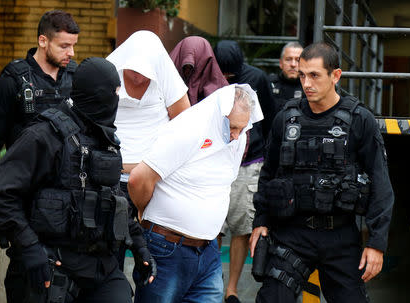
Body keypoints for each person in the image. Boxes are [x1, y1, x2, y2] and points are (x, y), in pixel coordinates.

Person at [0, 57, 156, 303]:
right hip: (52, 266)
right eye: (113, 93)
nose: (116, 100)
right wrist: (29, 247)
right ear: (96, 95)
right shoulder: (44, 135)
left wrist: (140, 247)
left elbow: (116, 200)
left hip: (99, 268)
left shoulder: (104, 138)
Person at [249, 42, 394, 303]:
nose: (306, 83)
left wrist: (376, 243)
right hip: (292, 234)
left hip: (339, 236)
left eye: (314, 75)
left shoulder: (360, 120)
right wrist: (261, 220)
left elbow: (381, 185)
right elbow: (269, 173)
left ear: (335, 76)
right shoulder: (286, 118)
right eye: (302, 75)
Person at [128, 84, 263, 303]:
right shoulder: (189, 127)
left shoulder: (239, 136)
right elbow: (138, 179)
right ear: (220, 116)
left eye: (243, 128)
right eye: (233, 127)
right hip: (166, 247)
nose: (237, 136)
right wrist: (144, 211)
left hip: (208, 249)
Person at [106, 30, 191, 270]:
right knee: (112, 252)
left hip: (154, 180)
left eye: (145, 74)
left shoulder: (166, 75)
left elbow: (184, 125)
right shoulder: (109, 70)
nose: (138, 78)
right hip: (111, 178)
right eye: (133, 72)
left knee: (153, 253)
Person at [0, 10, 80, 186]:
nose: (72, 53)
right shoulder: (11, 82)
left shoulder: (76, 77)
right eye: (64, 46)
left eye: (73, 45)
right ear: (43, 41)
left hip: (67, 186)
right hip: (24, 185)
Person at [213, 39, 275, 303]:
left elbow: (270, 118)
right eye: (222, 73)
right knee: (212, 228)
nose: (226, 78)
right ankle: (213, 282)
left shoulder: (257, 78)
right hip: (214, 162)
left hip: (248, 163)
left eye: (231, 74)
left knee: (241, 228)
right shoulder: (208, 77)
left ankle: (232, 288)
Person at [170, 36, 228, 105]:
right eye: (185, 67)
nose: (188, 72)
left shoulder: (222, 94)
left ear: (206, 62)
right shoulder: (166, 82)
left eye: (192, 68)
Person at [269, 42, 304, 113]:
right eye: (288, 59)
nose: (293, 64)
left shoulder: (309, 87)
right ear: (281, 63)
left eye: (298, 60)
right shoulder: (269, 84)